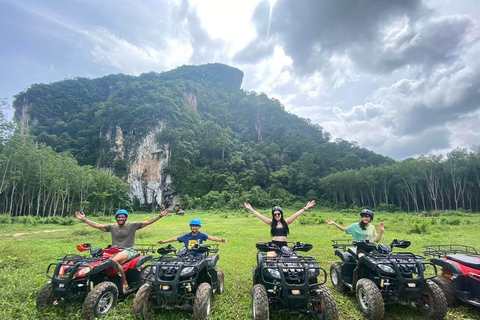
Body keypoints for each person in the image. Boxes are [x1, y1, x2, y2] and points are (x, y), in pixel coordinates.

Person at [75, 208, 169, 291]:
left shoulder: (132, 226)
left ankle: (124, 283)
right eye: (119, 217)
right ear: (116, 218)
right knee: (98, 260)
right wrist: (84, 220)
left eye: (123, 217)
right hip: (114, 250)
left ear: (126, 218)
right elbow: (99, 226)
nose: (121, 219)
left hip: (128, 250)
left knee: (112, 262)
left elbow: (147, 222)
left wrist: (160, 216)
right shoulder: (112, 227)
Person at [243, 201, 316, 257]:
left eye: (278, 214)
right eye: (275, 214)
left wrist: (306, 207)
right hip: (274, 246)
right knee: (270, 258)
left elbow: (296, 214)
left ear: (281, 214)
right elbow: (260, 216)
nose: (277, 215)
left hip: (284, 246)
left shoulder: (286, 222)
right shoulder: (272, 223)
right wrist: (251, 209)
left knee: (294, 258)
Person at [156, 218, 227, 257]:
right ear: (191, 227)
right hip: (189, 254)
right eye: (193, 226)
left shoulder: (202, 235)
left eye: (196, 226)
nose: (194, 228)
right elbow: (176, 239)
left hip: (199, 254)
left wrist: (221, 240)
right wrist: (164, 242)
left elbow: (211, 238)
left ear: (199, 227)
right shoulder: (187, 236)